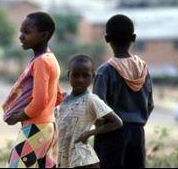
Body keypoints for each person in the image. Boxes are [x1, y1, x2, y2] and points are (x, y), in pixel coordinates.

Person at [93, 14, 154, 168]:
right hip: (137, 133)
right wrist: (137, 122)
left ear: (106, 39)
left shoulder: (104, 71)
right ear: (133, 38)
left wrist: (98, 130)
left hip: (110, 134)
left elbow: (97, 109)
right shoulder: (143, 69)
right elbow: (150, 105)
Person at [2, 12, 63, 168]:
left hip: (37, 126)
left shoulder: (41, 62)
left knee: (15, 165)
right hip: (49, 126)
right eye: (21, 31)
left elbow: (40, 101)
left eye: (26, 32)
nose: (21, 36)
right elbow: (57, 97)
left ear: (43, 35)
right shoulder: (50, 58)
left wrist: (17, 116)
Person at [56, 54, 123, 168]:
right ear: (68, 75)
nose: (80, 80)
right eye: (75, 75)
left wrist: (89, 133)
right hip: (64, 156)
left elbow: (117, 122)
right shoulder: (63, 99)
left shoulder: (91, 100)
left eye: (86, 76)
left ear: (93, 77)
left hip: (83, 159)